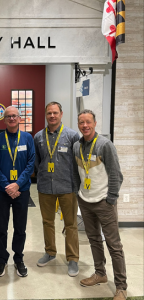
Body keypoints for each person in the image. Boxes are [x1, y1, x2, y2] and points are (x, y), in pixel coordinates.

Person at [73, 109, 127, 300]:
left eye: (88, 122)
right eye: (81, 122)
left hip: (104, 202)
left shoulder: (105, 145)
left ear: (95, 124)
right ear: (78, 125)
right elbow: (76, 173)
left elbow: (116, 175)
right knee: (94, 240)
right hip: (85, 202)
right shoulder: (76, 146)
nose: (85, 126)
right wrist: (79, 195)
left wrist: (111, 199)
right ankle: (100, 274)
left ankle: (121, 286)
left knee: (114, 245)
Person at [34, 101, 80, 277]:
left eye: (55, 113)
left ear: (61, 114)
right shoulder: (38, 136)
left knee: (70, 224)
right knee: (48, 222)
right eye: (49, 113)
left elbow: (77, 162)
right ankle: (50, 252)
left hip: (67, 186)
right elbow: (38, 162)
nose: (52, 116)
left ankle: (73, 259)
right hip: (45, 186)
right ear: (45, 115)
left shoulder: (72, 135)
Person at [0, 106, 35, 277]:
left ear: (19, 118)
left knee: (20, 227)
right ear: (4, 119)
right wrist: (7, 185)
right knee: (1, 227)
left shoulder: (27, 138)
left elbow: (31, 162)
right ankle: (2, 259)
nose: (11, 119)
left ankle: (18, 258)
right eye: (8, 116)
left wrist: (17, 184)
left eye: (14, 116)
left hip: (21, 191)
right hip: (2, 191)